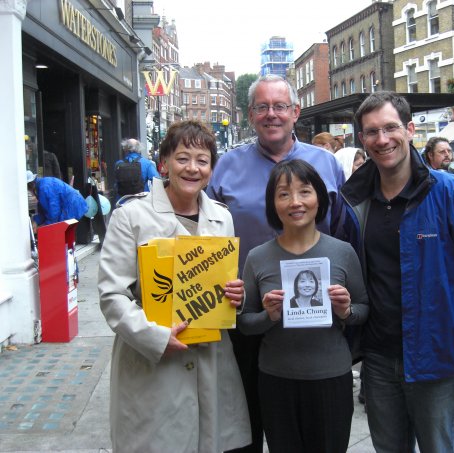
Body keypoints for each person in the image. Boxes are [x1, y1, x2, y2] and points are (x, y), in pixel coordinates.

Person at [341, 92, 454, 452]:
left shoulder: (449, 193)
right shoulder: (354, 201)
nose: (382, 139)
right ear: (362, 139)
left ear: (410, 129)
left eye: (390, 128)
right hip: (378, 360)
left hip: (435, 359)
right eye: (372, 132)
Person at [207, 74, 345, 453]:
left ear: (295, 112)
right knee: (245, 423)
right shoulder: (225, 168)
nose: (272, 115)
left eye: (280, 106)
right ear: (250, 115)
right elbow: (205, 236)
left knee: (307, 426)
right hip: (245, 313)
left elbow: (342, 232)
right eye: (262, 107)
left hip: (311, 313)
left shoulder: (327, 164)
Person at [98, 120, 251, 453]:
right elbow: (112, 295)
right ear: (163, 163)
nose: (192, 168)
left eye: (202, 160)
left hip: (210, 359)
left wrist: (235, 296)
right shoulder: (131, 217)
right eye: (183, 158)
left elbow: (222, 284)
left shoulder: (222, 217)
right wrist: (154, 335)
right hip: (153, 362)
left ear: (212, 168)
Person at [238, 159, 368, 453]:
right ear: (273, 204)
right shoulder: (258, 258)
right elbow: (245, 323)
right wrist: (268, 316)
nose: (295, 202)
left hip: (331, 378)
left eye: (305, 191)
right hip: (276, 379)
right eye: (284, 194)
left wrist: (346, 311)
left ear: (319, 198)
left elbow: (364, 309)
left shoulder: (342, 252)